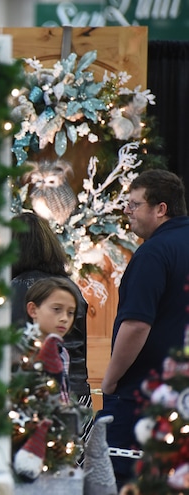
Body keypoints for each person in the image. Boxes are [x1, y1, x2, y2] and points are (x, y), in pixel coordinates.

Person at [101, 169, 189, 490]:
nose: (128, 212)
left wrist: (110, 380)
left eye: (134, 205)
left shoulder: (153, 252)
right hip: (182, 396)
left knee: (124, 481)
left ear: (160, 209)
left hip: (141, 397)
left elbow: (137, 324)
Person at [10, 212, 91, 410]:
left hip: (32, 395)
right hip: (75, 391)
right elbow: (78, 346)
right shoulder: (69, 288)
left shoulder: (10, 289)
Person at [24, 277, 80, 403]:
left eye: (70, 313)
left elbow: (63, 394)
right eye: (56, 309)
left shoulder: (62, 352)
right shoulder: (21, 351)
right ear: (33, 310)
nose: (64, 318)